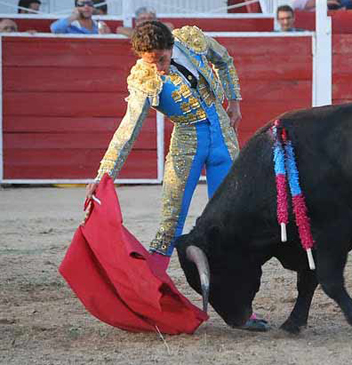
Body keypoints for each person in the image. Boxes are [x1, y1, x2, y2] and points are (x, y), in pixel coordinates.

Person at [83, 21, 267, 330]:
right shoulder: (144, 79)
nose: (159, 68)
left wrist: (234, 100)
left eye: (162, 60)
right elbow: (127, 131)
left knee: (232, 225)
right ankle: (150, 302)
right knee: (171, 222)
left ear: (172, 47)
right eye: (149, 61)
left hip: (223, 136)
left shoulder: (190, 39)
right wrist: (104, 174)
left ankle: (241, 309)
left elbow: (224, 59)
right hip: (187, 142)